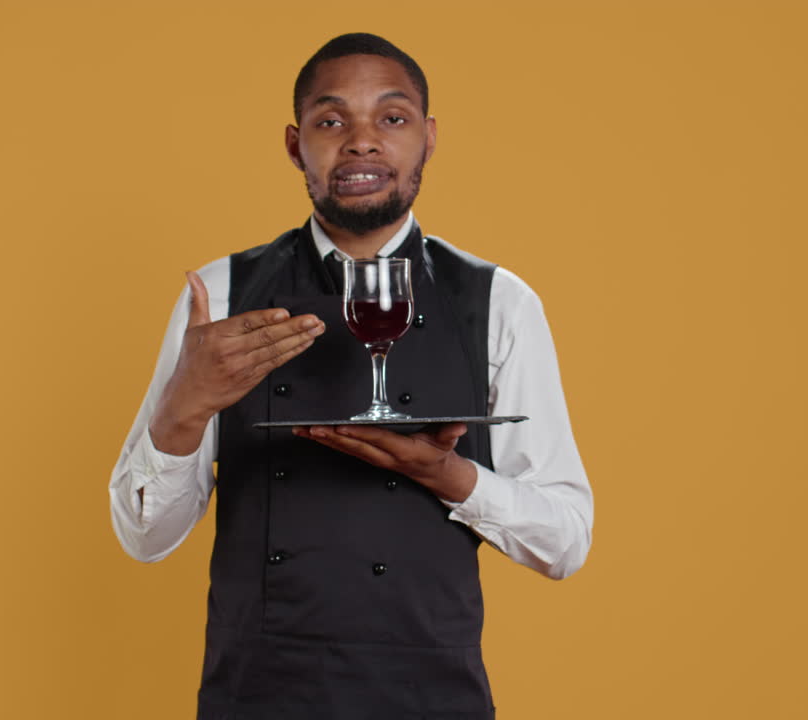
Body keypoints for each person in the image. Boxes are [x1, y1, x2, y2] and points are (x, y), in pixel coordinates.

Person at [109, 32, 594, 719]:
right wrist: (181, 412)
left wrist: (448, 475)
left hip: (433, 699)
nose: (361, 141)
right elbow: (144, 539)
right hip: (259, 695)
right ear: (294, 143)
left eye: (391, 119)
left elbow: (567, 541)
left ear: (427, 139)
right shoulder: (217, 294)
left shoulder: (498, 302)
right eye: (331, 121)